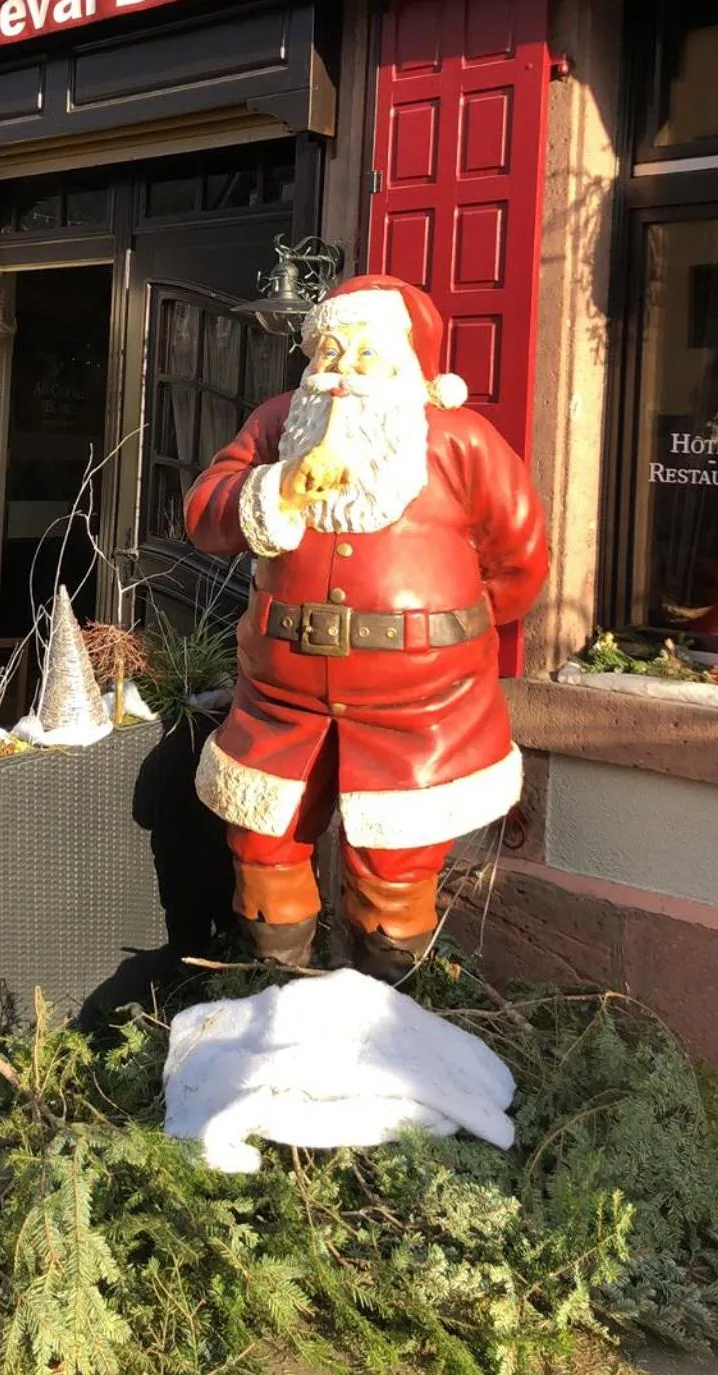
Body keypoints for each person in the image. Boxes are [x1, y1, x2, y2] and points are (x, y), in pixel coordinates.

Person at [183, 273, 548, 977]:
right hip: (279, 701)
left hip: (422, 711)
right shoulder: (278, 422)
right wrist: (276, 488)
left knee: (394, 871)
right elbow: (204, 510)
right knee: (263, 847)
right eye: (329, 352)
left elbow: (519, 556)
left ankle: (385, 1022)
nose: (342, 372)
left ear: (409, 363)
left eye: (366, 355)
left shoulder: (458, 440)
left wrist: (438, 638)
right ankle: (283, 994)